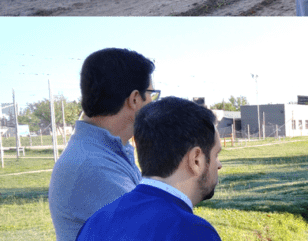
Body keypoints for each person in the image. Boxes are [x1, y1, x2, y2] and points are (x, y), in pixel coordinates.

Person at [76, 97, 223, 241]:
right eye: (216, 154)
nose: (219, 164)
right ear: (196, 160)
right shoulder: (193, 232)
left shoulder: (95, 223)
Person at [48, 48, 158, 241]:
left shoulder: (108, 152)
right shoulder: (92, 166)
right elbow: (155, 231)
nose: (153, 103)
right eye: (151, 94)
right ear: (134, 99)